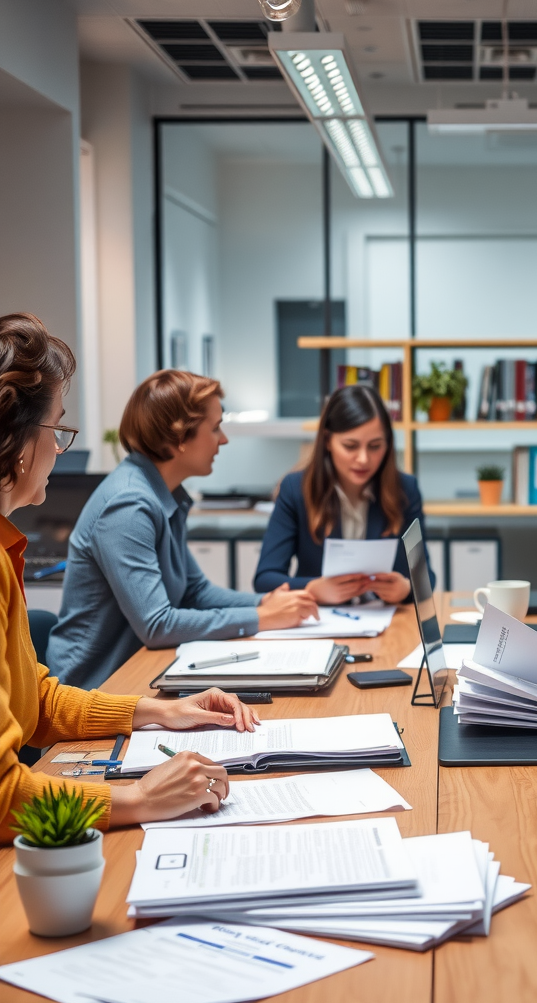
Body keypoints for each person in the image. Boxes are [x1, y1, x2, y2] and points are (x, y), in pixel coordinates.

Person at [0, 312, 260, 842]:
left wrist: (162, 713)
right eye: (58, 429)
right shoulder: (127, 502)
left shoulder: (7, 553)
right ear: (18, 442)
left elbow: (38, 703)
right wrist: (141, 798)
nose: (61, 449)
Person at [48, 370, 317, 690]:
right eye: (215, 428)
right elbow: (157, 625)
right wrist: (263, 618)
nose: (224, 439)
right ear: (178, 438)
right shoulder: (128, 506)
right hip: (93, 686)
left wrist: (264, 602)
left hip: (135, 673)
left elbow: (195, 591)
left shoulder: (162, 494)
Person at [254, 383, 433, 603]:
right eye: (350, 446)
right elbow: (264, 578)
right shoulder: (295, 489)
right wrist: (312, 588)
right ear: (328, 440)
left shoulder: (405, 489)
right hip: (320, 620)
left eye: (375, 446)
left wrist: (406, 589)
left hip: (388, 622)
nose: (363, 459)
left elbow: (426, 579)